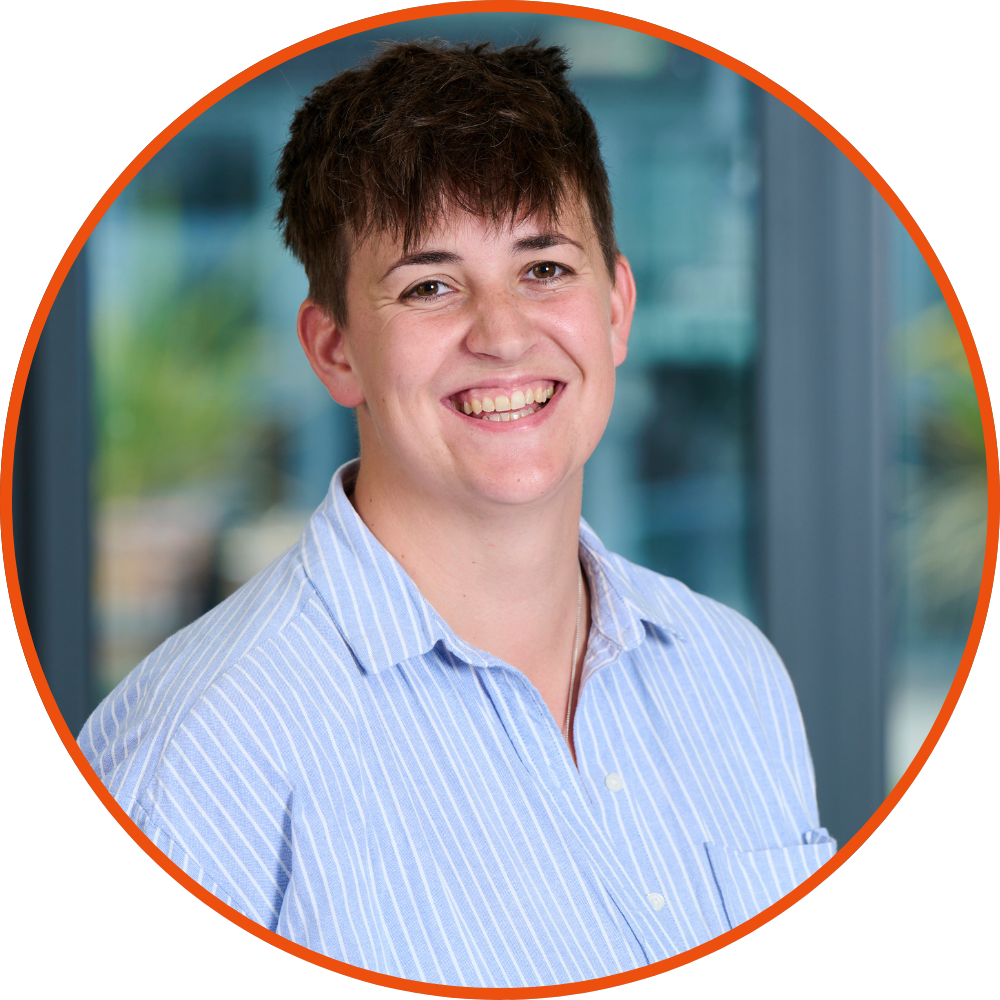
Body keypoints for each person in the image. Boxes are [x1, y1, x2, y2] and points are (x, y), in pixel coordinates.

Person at [79, 39, 835, 989]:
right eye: (430, 285)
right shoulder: (204, 755)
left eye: (545, 268)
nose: (506, 332)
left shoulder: (733, 676)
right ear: (335, 348)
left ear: (617, 309)